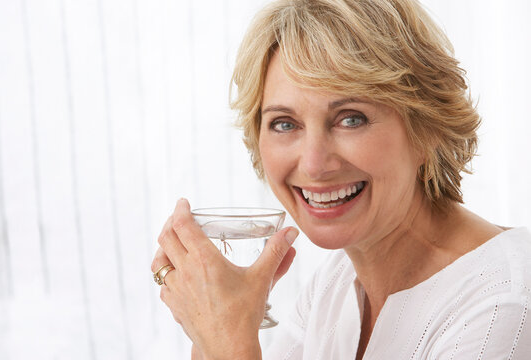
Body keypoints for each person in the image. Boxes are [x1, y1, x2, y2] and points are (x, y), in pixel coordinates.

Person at [151, 0, 531, 358]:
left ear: (426, 128)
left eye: (351, 119)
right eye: (285, 124)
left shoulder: (504, 304)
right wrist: (211, 322)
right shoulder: (332, 288)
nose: (314, 165)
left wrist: (226, 339)